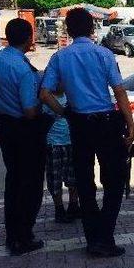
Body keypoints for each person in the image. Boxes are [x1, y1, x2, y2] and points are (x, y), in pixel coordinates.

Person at [40, 7, 134, 258]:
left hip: (79, 124)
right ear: (92, 29)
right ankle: (106, 235)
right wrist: (130, 125)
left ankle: (94, 239)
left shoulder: (60, 57)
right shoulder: (103, 54)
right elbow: (120, 92)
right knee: (113, 181)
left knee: (84, 182)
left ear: (69, 31)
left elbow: (45, 94)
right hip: (106, 122)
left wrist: (63, 112)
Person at [0, 18, 45, 255]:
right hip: (25, 130)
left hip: (4, 126)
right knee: (31, 183)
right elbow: (29, 110)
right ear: (28, 39)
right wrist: (45, 106)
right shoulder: (23, 70)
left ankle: (12, 235)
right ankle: (23, 236)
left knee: (13, 181)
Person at [43, 85, 81, 223]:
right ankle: (59, 209)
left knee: (73, 176)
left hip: (70, 141)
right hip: (53, 143)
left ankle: (73, 205)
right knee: (55, 179)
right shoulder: (45, 97)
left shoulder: (70, 96)